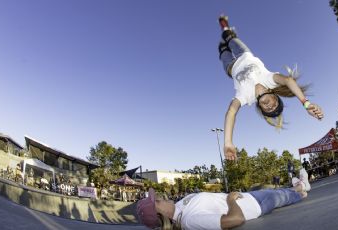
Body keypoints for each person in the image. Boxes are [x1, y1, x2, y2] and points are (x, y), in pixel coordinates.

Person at [217, 15, 324, 161]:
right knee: (229, 37)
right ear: (273, 94)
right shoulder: (270, 80)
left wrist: (228, 142)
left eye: (268, 109)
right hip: (245, 53)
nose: (269, 105)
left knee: (222, 50)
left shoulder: (246, 97)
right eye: (274, 104)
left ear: (260, 107)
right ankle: (227, 29)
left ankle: (223, 46)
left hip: (230, 66)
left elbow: (231, 112)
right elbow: (288, 80)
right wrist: (306, 103)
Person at [136, 169, 310, 230]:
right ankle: (301, 188)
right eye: (157, 201)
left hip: (249, 197)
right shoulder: (190, 220)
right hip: (254, 206)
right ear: (161, 215)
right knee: (281, 196)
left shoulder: (180, 206)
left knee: (278, 192)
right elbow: (236, 219)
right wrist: (231, 200)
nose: (161, 197)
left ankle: (298, 188)